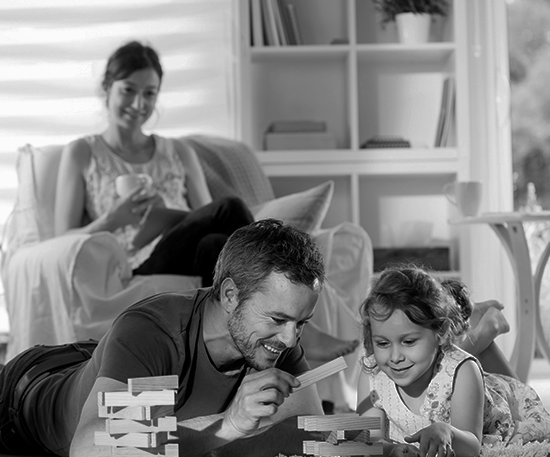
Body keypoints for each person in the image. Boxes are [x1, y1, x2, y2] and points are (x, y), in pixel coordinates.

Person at [53, 39, 357, 361]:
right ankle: (298, 328)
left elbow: (203, 213)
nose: (138, 103)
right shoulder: (82, 152)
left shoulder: (178, 151)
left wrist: (171, 215)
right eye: (128, 90)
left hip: (183, 247)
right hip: (134, 261)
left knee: (215, 243)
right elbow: (61, 239)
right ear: (107, 88)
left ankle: (246, 346)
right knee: (231, 208)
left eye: (149, 93)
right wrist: (114, 219)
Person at [0, 220, 328, 457]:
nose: (290, 339)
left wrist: (201, 453)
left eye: (301, 323)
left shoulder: (274, 338)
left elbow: (310, 431)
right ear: (230, 295)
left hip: (95, 360)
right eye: (279, 319)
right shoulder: (153, 329)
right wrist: (229, 427)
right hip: (24, 391)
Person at [356, 265, 550, 457]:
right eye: (383, 344)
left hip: (498, 402)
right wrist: (387, 452)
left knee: (524, 416)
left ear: (441, 332)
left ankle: (485, 331)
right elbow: (371, 438)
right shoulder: (372, 374)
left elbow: (473, 444)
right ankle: (476, 323)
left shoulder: (463, 371)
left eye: (409, 342)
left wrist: (448, 432)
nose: (395, 357)